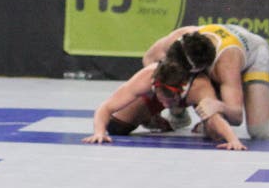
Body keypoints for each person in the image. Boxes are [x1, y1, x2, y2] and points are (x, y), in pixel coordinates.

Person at [143, 25, 269, 140]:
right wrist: (158, 101)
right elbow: (148, 60)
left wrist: (219, 105)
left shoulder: (226, 65)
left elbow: (236, 117)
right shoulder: (178, 39)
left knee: (260, 132)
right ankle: (179, 115)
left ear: (199, 68)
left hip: (255, 53)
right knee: (168, 77)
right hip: (223, 44)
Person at [82, 58, 245, 150]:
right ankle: (152, 117)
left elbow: (215, 118)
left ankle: (185, 116)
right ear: (155, 86)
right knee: (116, 127)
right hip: (161, 91)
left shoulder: (199, 87)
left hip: (193, 93)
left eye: (171, 100)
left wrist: (233, 140)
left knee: (214, 133)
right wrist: (99, 132)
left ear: (181, 90)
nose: (166, 104)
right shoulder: (147, 77)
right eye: (162, 99)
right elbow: (106, 107)